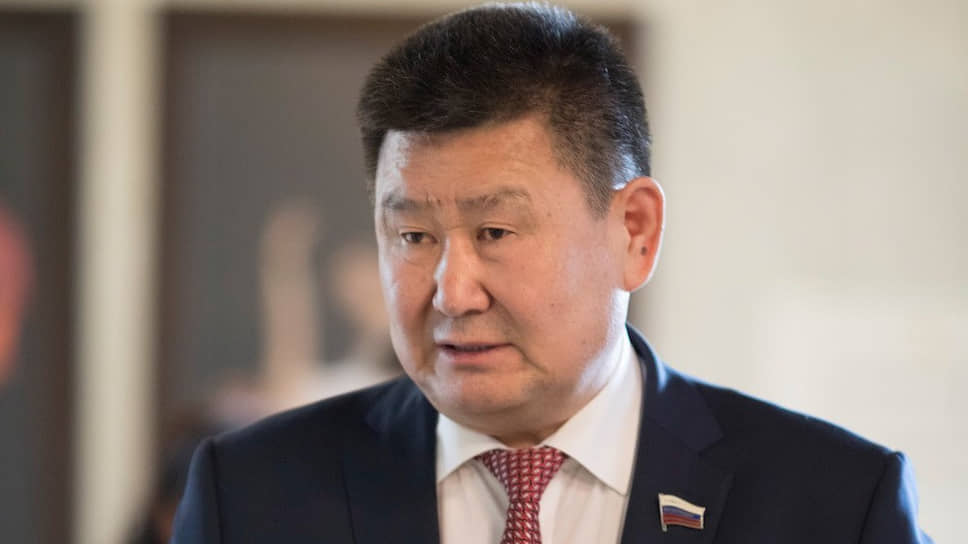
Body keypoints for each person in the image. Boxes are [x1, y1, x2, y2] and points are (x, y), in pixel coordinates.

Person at [171, 3, 932, 543]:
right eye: (413, 235)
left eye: (495, 232)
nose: (453, 292)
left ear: (634, 232)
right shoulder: (252, 497)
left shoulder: (833, 506)